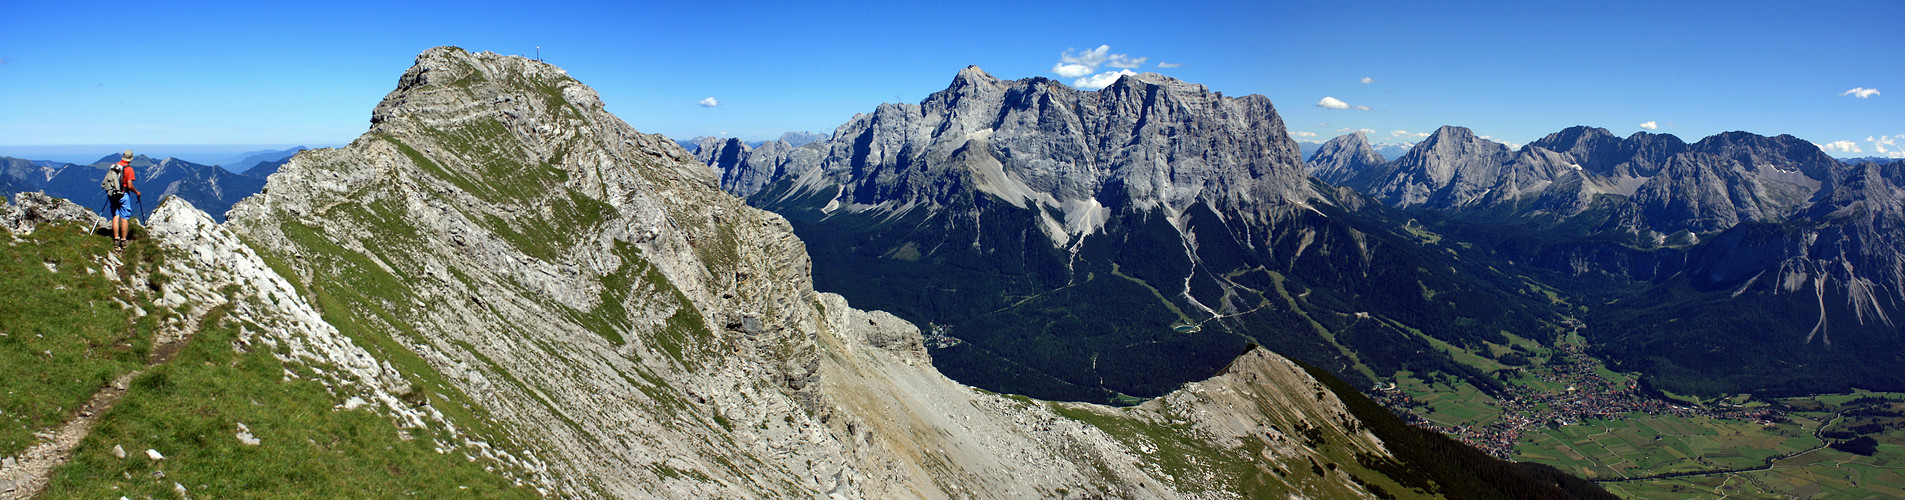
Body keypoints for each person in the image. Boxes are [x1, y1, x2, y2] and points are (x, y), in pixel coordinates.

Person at [107, 150, 140, 249]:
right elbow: (129, 185)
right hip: (123, 194)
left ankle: (116, 239)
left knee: (115, 216)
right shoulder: (129, 169)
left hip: (113, 194)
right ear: (131, 158)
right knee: (124, 217)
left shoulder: (115, 166)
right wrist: (137, 192)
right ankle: (123, 241)